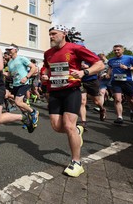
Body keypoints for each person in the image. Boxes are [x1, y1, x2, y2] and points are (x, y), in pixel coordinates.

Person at [42, 25, 104, 177]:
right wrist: (44, 75)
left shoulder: (75, 48)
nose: (51, 37)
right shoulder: (48, 53)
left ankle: (76, 162)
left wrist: (84, 72)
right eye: (49, 34)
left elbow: (100, 64)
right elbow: (45, 68)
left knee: (69, 125)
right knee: (57, 126)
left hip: (71, 91)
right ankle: (78, 131)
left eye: (54, 34)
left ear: (63, 34)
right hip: (55, 92)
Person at [5, 43, 39, 130]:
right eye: (8, 50)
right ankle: (28, 120)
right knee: (20, 104)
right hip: (16, 84)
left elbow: (33, 67)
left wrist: (26, 77)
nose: (8, 51)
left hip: (24, 83)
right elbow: (9, 74)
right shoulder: (10, 62)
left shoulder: (21, 58)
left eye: (10, 49)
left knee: (18, 102)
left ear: (15, 50)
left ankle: (33, 112)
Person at [106, 45, 133, 124]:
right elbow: (110, 68)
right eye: (114, 50)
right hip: (116, 81)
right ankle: (119, 117)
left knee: (131, 100)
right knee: (118, 99)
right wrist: (108, 74)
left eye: (118, 50)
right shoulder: (111, 60)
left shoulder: (129, 58)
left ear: (122, 50)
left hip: (127, 81)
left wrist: (128, 68)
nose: (116, 51)